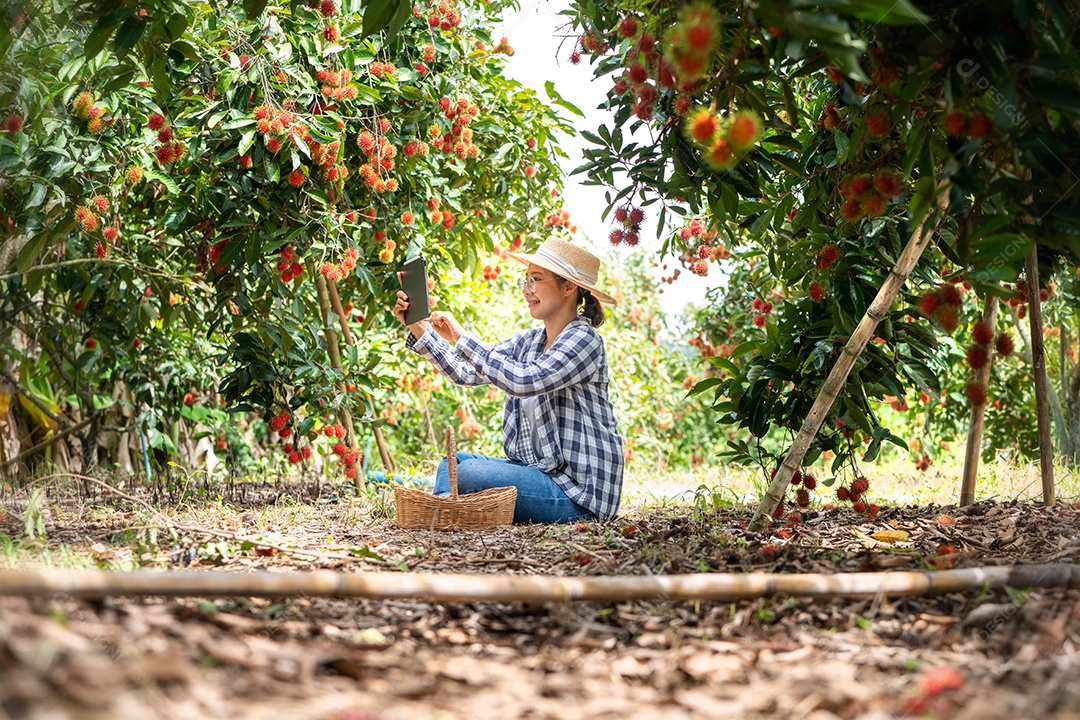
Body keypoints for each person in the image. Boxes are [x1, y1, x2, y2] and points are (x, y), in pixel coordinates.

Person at [393, 237, 623, 524]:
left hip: (579, 495)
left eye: (536, 280)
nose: (527, 290)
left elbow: (525, 380)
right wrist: (419, 326)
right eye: (526, 280)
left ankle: (444, 515)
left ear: (568, 287)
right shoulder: (528, 342)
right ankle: (446, 514)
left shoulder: (584, 340)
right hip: (542, 474)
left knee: (467, 474)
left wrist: (462, 337)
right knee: (453, 464)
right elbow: (465, 372)